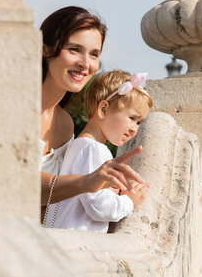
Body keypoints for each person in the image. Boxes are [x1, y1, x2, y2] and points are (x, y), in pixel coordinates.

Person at [40, 6, 147, 217]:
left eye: (94, 54)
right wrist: (88, 181)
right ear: (45, 49)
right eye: (74, 49)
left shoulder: (65, 124)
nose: (85, 64)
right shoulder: (15, 111)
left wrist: (113, 185)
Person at [43, 70, 152, 231]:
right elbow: (98, 205)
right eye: (132, 118)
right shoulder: (93, 149)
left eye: (139, 123)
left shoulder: (82, 145)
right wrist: (129, 201)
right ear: (104, 109)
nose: (134, 129)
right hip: (77, 243)